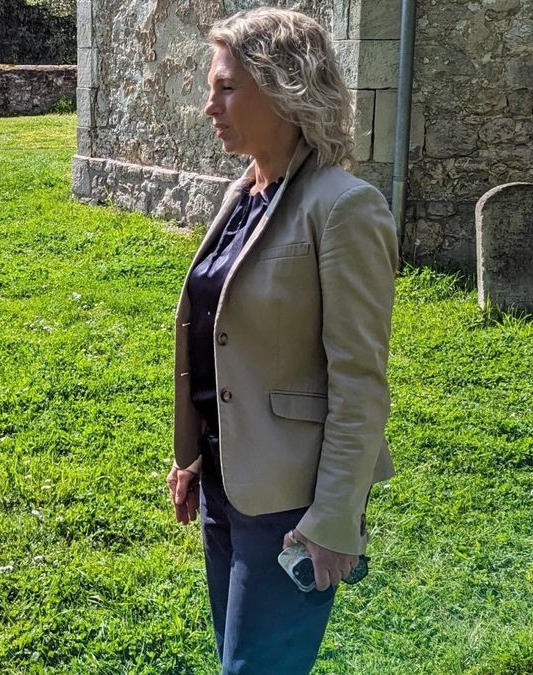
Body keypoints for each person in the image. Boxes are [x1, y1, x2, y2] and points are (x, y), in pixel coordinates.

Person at [165, 8, 396, 673]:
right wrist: (194, 456)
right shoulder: (246, 193)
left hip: (292, 502)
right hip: (225, 482)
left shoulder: (343, 205)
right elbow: (223, 337)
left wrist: (334, 518)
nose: (209, 104)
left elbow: (359, 382)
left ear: (287, 89)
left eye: (227, 87)